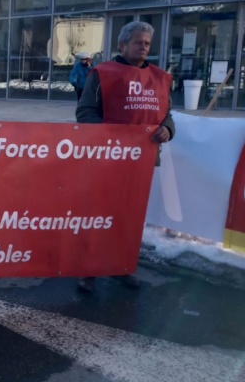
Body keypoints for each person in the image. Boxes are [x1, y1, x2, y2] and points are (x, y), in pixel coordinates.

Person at [75, 21, 175, 294]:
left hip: (142, 162)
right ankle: (88, 271)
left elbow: (166, 115)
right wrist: (108, 138)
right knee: (98, 217)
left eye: (147, 43)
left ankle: (120, 266)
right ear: (122, 45)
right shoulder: (103, 73)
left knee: (128, 218)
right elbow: (85, 112)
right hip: (107, 160)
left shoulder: (159, 78)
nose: (144, 47)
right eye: (138, 42)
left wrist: (167, 129)